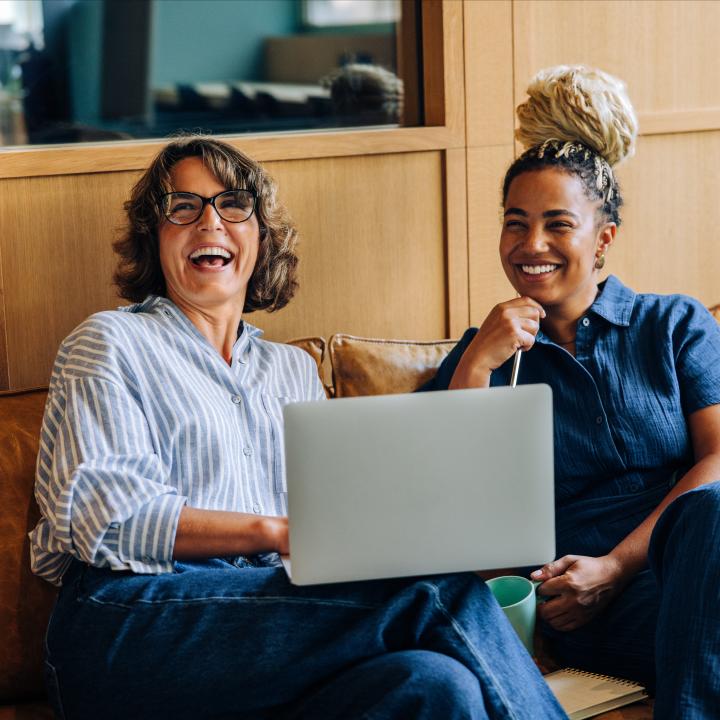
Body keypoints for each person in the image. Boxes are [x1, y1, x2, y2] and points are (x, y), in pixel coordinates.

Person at [30, 135, 566, 719]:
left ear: (260, 237)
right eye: (182, 207)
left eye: (233, 205)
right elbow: (108, 520)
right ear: (153, 235)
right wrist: (279, 530)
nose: (209, 221)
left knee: (437, 686)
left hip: (262, 629)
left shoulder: (291, 371)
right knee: (437, 591)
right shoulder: (108, 342)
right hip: (128, 620)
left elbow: (332, 533)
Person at [421, 66, 720, 719]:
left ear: (603, 237)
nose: (532, 245)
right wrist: (476, 363)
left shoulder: (674, 324)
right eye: (515, 223)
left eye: (558, 224)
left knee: (713, 510)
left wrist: (617, 564)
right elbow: (446, 507)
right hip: (580, 600)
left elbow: (718, 456)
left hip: (682, 559)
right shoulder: (486, 353)